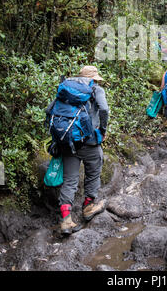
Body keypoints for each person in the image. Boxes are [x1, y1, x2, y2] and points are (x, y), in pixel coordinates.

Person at [56, 65, 109, 235]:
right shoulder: (96, 88)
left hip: (67, 140)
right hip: (89, 141)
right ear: (93, 78)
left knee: (70, 180)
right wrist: (103, 130)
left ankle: (65, 220)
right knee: (93, 171)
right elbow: (104, 109)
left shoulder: (65, 88)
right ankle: (88, 206)